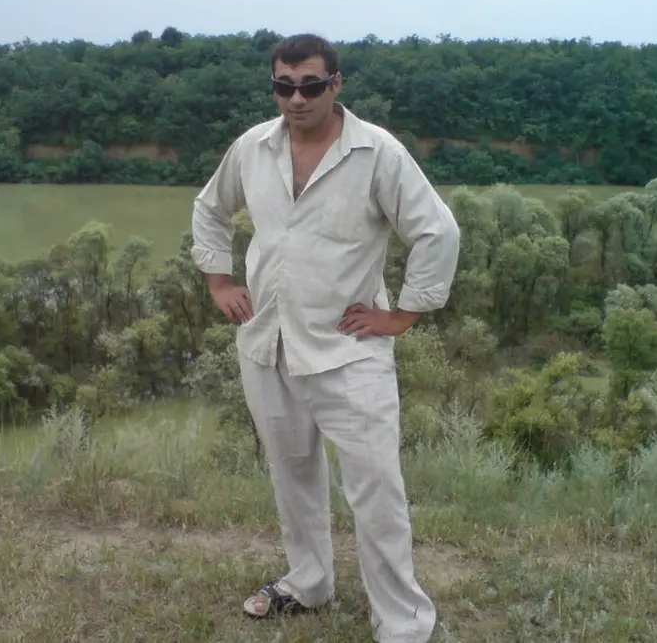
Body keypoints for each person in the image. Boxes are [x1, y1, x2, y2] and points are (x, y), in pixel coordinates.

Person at [191, 33, 460, 643]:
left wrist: (405, 314)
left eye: (310, 85)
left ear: (336, 84)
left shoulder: (377, 153)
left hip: (348, 350)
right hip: (268, 342)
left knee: (377, 489)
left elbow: (437, 232)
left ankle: (402, 624)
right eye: (284, 86)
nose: (297, 98)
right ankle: (308, 583)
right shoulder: (253, 148)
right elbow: (209, 208)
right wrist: (219, 281)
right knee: (292, 474)